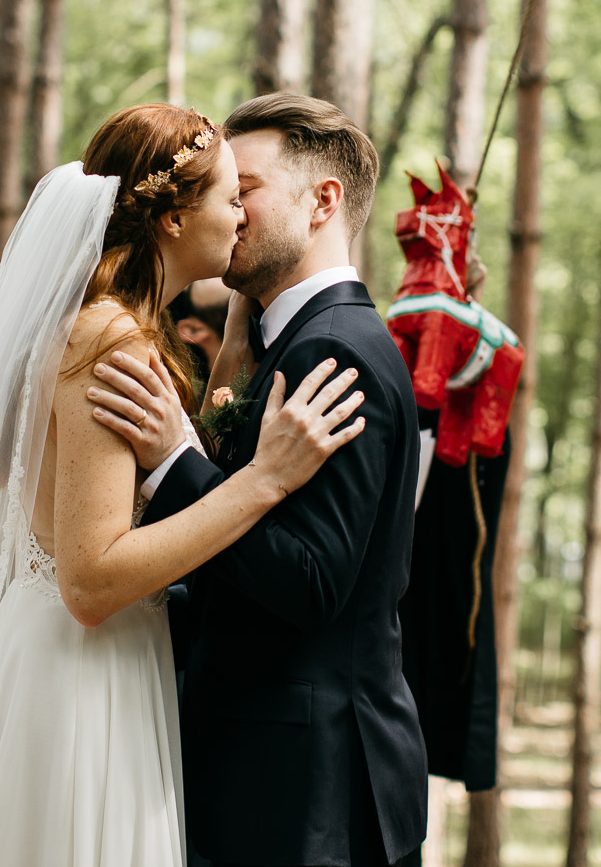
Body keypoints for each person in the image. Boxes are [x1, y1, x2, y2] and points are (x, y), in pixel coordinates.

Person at [0, 103, 368, 867]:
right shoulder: (107, 340)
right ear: (174, 219)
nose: (241, 216)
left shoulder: (113, 327)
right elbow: (89, 580)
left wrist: (231, 354)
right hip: (80, 674)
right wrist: (262, 481)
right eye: (230, 197)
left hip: (102, 661)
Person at [89, 93, 429, 867]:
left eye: (245, 189)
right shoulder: (291, 340)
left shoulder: (331, 350)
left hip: (304, 793)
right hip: (281, 777)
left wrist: (175, 463)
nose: (230, 211)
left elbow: (310, 583)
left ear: (323, 201)